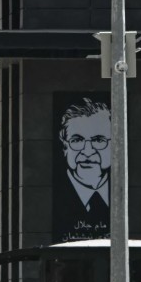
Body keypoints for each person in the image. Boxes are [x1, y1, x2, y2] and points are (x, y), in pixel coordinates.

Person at [52, 97, 112, 242]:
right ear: (65, 146)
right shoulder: (55, 193)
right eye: (77, 140)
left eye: (99, 140)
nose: (87, 151)